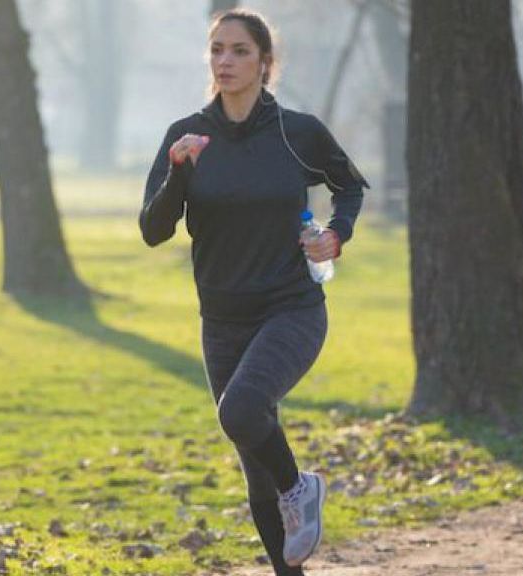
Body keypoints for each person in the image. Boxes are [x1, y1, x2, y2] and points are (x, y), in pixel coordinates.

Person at [138, 8, 368, 574]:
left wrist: (335, 236)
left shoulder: (297, 133)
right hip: (221, 319)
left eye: (240, 51)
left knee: (240, 411)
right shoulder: (186, 138)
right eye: (217, 50)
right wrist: (178, 173)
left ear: (265, 63)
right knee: (253, 465)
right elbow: (153, 229)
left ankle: (301, 490)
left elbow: (350, 188)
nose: (225, 61)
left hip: (290, 309)